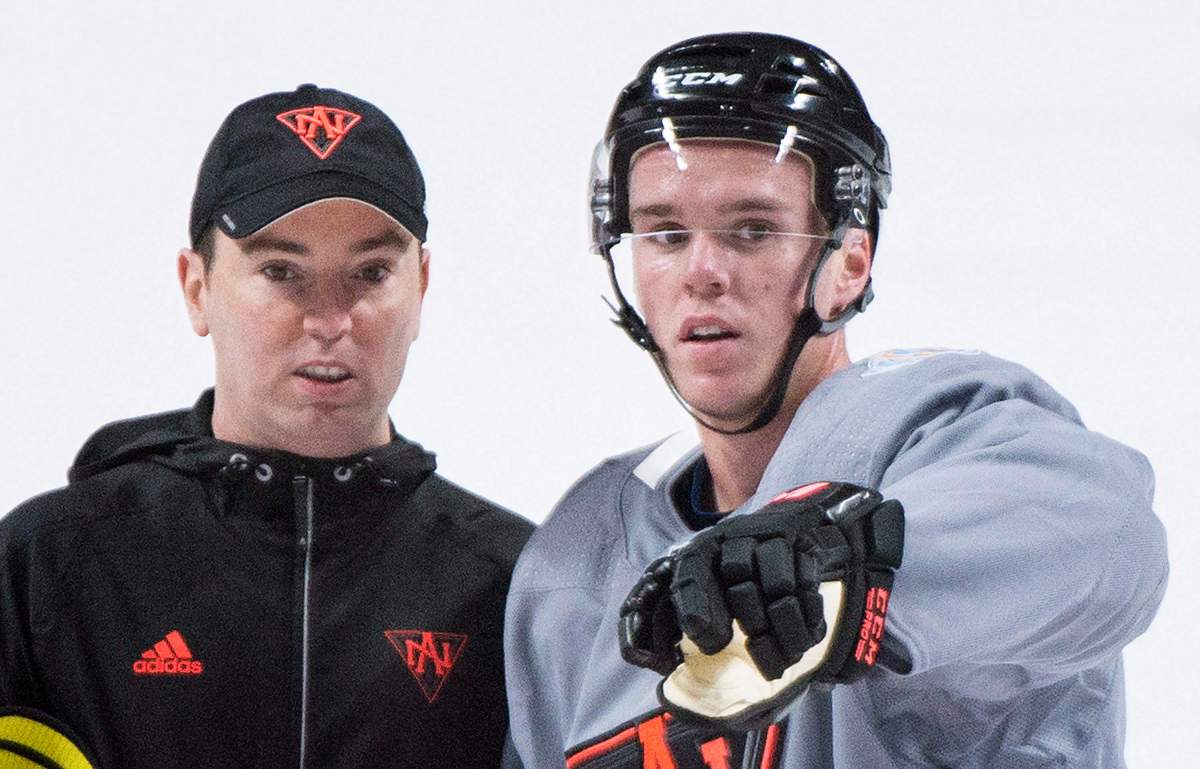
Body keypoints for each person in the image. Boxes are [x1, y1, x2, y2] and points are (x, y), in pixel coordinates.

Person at [504, 33, 1168, 769]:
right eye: (665, 232)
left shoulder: (934, 432)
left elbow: (1104, 530)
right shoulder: (574, 563)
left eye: (753, 229)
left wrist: (855, 560)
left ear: (851, 263)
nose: (702, 271)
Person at [0, 84, 533, 769]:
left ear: (421, 286)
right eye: (282, 271)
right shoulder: (49, 570)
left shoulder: (522, 588)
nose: (330, 320)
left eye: (370, 272)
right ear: (196, 288)